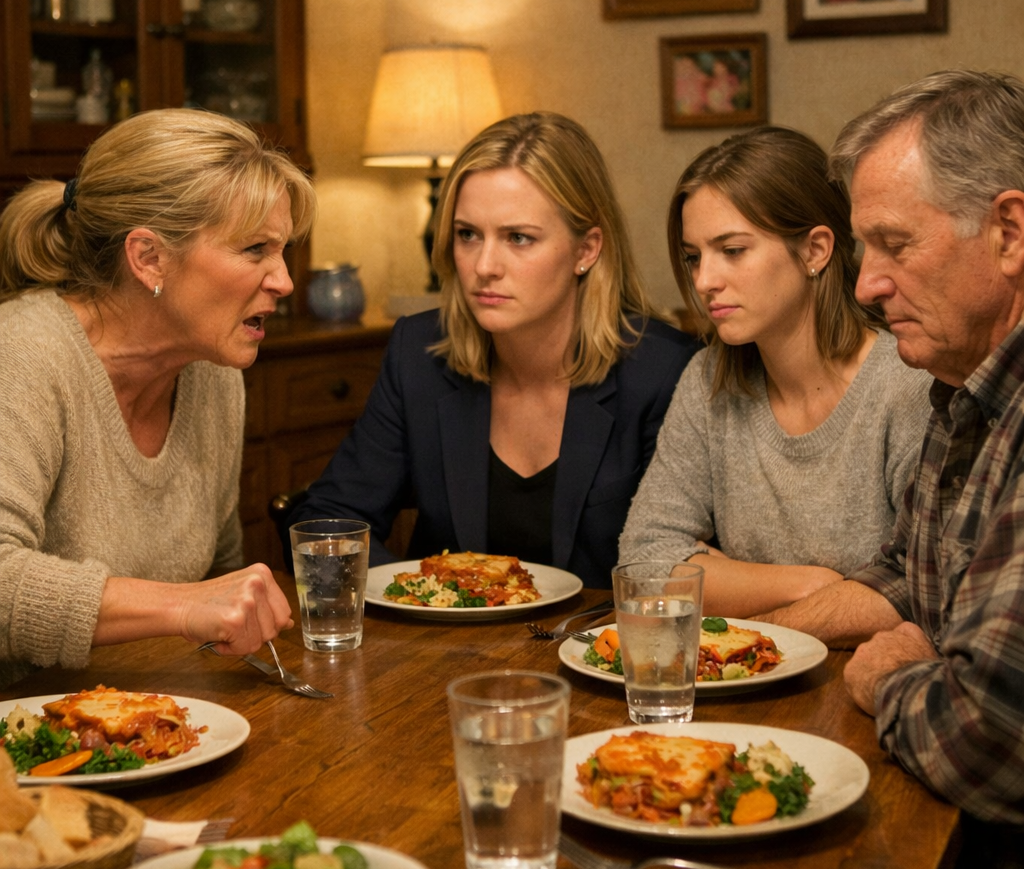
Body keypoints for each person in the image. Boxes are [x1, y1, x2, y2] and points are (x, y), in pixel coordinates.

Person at [757, 71, 1024, 869]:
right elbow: (906, 579)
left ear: (1009, 231)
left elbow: (984, 733)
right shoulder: (966, 388)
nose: (865, 285)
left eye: (894, 246)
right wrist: (780, 638)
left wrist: (888, 680)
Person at [289, 112, 699, 586]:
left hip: (599, 634)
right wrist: (429, 591)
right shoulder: (419, 354)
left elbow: (681, 569)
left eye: (518, 238)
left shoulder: (663, 372)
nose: (484, 266)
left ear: (586, 250)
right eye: (468, 234)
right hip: (440, 631)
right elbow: (326, 521)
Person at [0, 108, 314, 679]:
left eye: (283, 249)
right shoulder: (22, 353)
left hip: (154, 708)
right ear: (149, 258)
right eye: (255, 250)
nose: (285, 280)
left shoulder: (213, 371)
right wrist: (183, 606)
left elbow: (220, 577)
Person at [618, 126, 932, 618]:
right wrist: (815, 585)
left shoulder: (908, 385)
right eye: (693, 257)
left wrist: (719, 575)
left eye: (732, 250)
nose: (704, 280)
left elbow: (920, 592)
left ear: (814, 250)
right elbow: (642, 561)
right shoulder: (707, 379)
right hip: (748, 663)